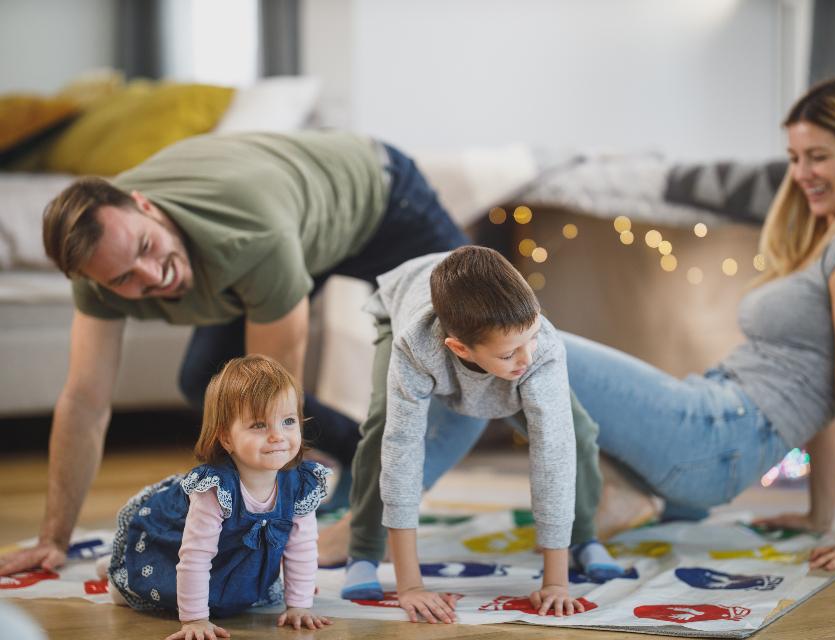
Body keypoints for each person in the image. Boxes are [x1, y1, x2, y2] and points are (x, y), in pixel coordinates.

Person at [0, 130, 479, 579]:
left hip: (379, 197)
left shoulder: (246, 235)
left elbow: (273, 406)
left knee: (475, 341)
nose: (151, 277)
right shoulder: (100, 266)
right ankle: (360, 453)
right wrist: (53, 537)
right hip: (288, 220)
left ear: (146, 206)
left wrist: (264, 536)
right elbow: (84, 403)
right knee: (208, 382)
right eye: (124, 279)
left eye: (147, 247)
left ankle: (366, 525)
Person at [561, 76, 835, 574]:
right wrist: (818, 514)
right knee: (512, 362)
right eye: (794, 157)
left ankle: (409, 502)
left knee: (531, 346)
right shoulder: (834, 233)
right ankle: (632, 493)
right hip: (711, 414)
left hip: (717, 434)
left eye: (818, 156)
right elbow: (826, 389)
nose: (801, 173)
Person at [342, 246, 622, 622]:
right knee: (381, 428)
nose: (525, 358)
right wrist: (409, 585)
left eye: (532, 337)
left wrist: (555, 582)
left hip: (484, 321)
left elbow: (553, 449)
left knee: (578, 430)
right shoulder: (415, 346)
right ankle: (363, 551)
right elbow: (402, 449)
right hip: (403, 307)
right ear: (460, 349)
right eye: (509, 355)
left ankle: (584, 537)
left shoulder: (539, 351)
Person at [99, 354, 332, 639]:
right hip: (177, 546)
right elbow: (195, 557)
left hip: (237, 563)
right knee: (140, 588)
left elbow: (302, 548)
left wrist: (299, 605)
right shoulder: (214, 489)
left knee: (248, 592)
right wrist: (195, 619)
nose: (277, 436)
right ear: (227, 439)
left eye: (288, 421)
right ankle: (117, 568)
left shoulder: (300, 485)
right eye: (259, 425)